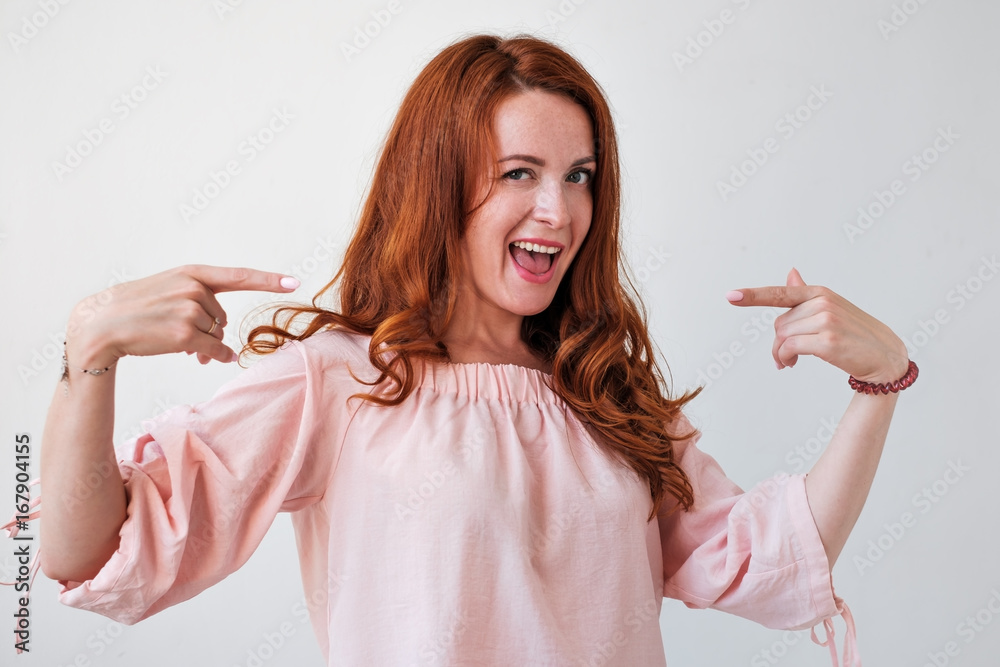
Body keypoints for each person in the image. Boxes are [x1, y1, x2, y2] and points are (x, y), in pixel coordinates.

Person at [34, 34, 913, 666]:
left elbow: (764, 560)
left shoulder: (603, 391)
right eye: (519, 172)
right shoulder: (340, 380)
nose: (560, 212)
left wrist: (881, 382)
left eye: (580, 177)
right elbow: (93, 552)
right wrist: (89, 355)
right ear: (438, 183)